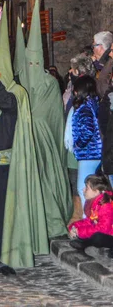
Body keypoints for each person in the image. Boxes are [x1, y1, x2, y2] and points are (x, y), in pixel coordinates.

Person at [0, 4, 49, 277]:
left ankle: (2, 258)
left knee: (2, 213)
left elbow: (7, 104)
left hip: (3, 164)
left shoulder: (16, 92)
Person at [14, 0, 72, 238]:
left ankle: (48, 220)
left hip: (43, 140)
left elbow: (55, 114)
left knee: (45, 179)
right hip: (26, 139)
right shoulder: (22, 81)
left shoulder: (48, 83)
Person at [71, 75, 101, 210]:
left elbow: (87, 131)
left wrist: (78, 144)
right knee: (93, 190)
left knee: (84, 190)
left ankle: (88, 222)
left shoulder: (84, 108)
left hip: (88, 154)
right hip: (94, 155)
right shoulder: (93, 104)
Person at [68, 174, 113, 251]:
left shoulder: (106, 205)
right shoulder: (96, 203)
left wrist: (80, 232)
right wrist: (74, 226)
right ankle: (85, 242)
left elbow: (104, 229)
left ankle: (85, 244)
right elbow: (90, 221)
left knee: (97, 237)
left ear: (96, 191)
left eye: (87, 188)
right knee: (93, 235)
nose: (83, 189)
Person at [92, 31, 113, 99]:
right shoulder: (106, 63)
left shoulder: (109, 64)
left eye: (94, 46)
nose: (93, 49)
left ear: (100, 47)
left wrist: (90, 78)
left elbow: (103, 92)